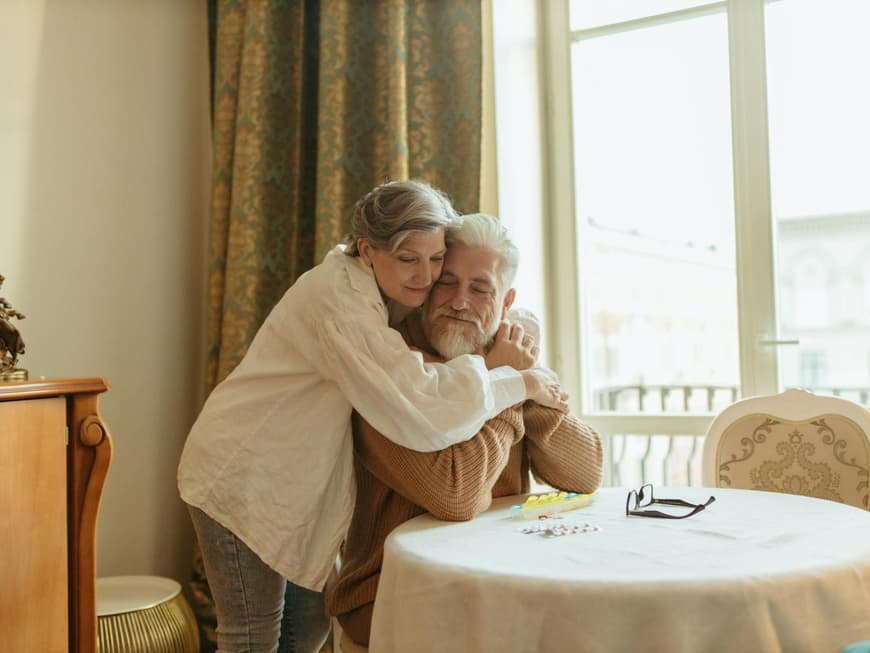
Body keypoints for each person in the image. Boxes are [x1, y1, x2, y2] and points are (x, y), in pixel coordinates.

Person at [177, 181, 567, 653]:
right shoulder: (338, 303)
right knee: (253, 636)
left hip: (297, 480)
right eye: (408, 258)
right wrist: (516, 380)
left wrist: (517, 330)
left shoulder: (391, 285)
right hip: (239, 470)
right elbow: (418, 400)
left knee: (306, 629)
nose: (425, 277)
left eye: (435, 258)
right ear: (367, 250)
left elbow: (491, 298)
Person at [325, 213, 604, 649]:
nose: (459, 301)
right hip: (392, 595)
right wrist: (506, 386)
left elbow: (585, 474)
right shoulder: (390, 370)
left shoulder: (504, 353)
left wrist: (519, 381)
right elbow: (455, 495)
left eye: (480, 289)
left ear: (506, 302)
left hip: (500, 580)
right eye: (446, 283)